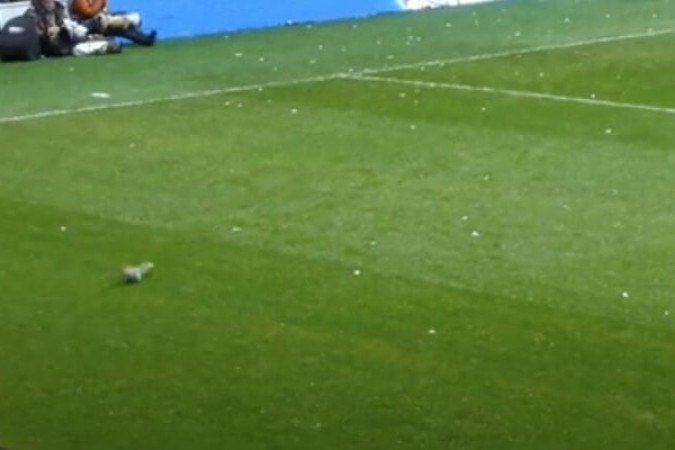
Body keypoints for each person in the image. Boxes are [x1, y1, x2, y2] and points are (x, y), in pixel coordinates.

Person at [28, 0, 120, 57]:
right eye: (47, 1)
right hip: (50, 44)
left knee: (93, 23)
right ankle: (101, 46)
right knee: (73, 46)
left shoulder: (58, 7)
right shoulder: (33, 12)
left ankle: (98, 41)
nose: (51, 2)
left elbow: (65, 23)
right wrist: (47, 32)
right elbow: (35, 35)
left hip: (66, 35)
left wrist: (60, 28)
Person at [68, 0, 156, 46]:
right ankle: (129, 20)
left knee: (120, 23)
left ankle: (143, 38)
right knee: (114, 24)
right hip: (84, 26)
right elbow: (89, 13)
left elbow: (104, 12)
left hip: (101, 22)